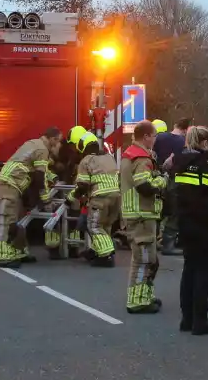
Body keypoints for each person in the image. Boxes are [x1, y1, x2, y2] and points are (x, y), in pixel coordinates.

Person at [172, 126, 208, 335]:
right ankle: (200, 320)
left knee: (189, 269)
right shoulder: (205, 162)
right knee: (204, 271)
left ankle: (186, 318)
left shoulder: (179, 161)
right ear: (205, 142)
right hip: (204, 223)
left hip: (185, 221)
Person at [0, 128, 63, 268]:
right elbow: (39, 176)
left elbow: (37, 169)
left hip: (13, 183)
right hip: (10, 183)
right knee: (7, 219)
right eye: (58, 141)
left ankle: (19, 251)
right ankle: (2, 254)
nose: (59, 145)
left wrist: (54, 178)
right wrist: (45, 199)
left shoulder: (35, 144)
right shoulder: (42, 149)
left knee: (18, 219)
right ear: (53, 139)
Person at [120, 120, 167, 314]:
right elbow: (144, 186)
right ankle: (137, 301)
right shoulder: (141, 158)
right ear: (146, 136)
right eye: (154, 136)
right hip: (141, 214)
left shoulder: (130, 155)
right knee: (144, 259)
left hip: (137, 213)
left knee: (148, 259)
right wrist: (163, 180)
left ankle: (144, 296)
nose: (155, 140)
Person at [67, 132, 119, 268]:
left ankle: (106, 256)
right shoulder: (109, 157)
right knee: (105, 226)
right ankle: (97, 251)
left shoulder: (86, 161)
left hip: (100, 198)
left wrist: (71, 197)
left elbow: (83, 185)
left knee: (94, 226)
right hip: (116, 198)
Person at [153, 118, 191, 256]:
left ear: (175, 125)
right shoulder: (183, 143)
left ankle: (153, 241)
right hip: (174, 181)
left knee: (159, 211)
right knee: (174, 212)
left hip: (157, 178)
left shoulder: (160, 137)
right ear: (186, 130)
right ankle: (168, 245)